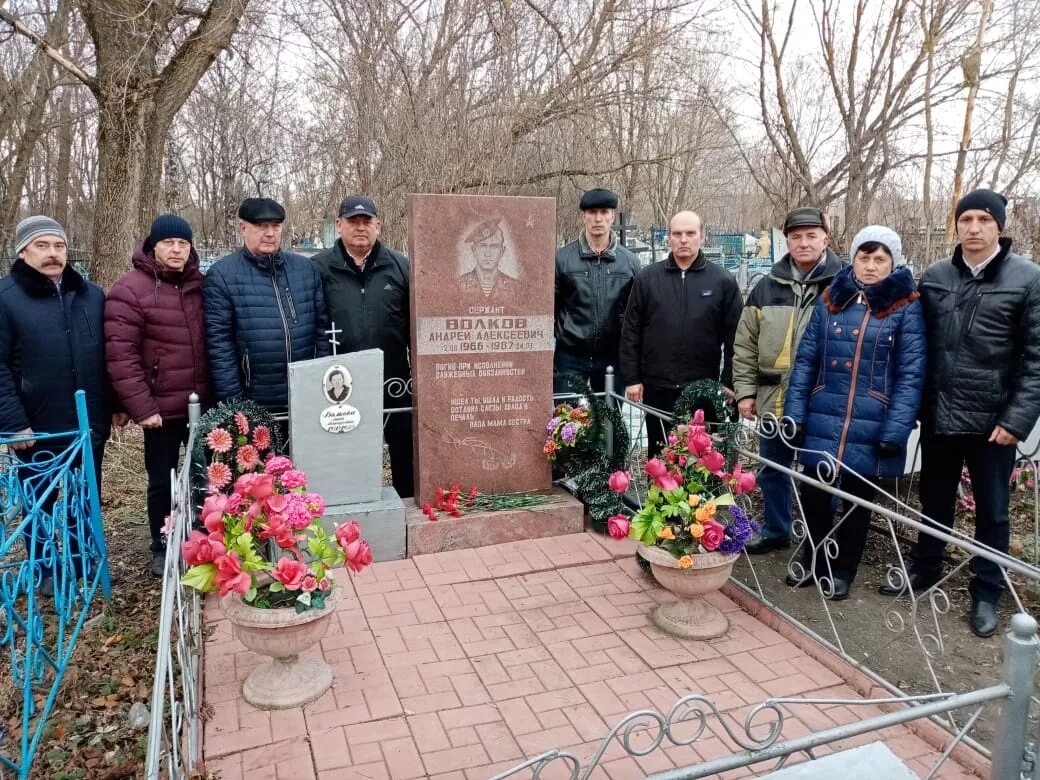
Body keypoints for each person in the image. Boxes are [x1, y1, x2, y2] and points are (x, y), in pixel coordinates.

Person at [878, 189, 1040, 638]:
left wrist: (1016, 419)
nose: (973, 227)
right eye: (966, 219)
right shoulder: (935, 276)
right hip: (939, 415)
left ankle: (986, 592)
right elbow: (910, 342)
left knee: (993, 512)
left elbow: (1035, 359)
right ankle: (926, 567)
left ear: (998, 227)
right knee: (934, 501)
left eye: (983, 220)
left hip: (993, 424)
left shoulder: (1027, 279)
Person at [783, 226, 926, 600]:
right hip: (823, 414)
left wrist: (895, 431)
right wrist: (795, 413)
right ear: (854, 258)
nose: (871, 266)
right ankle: (815, 559)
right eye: (865, 257)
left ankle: (844, 568)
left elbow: (910, 374)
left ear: (893, 263)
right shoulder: (832, 300)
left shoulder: (905, 307)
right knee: (813, 493)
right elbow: (805, 362)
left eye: (880, 259)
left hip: (872, 422)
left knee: (856, 503)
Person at [0, 216, 124, 593]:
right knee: (40, 500)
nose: (53, 254)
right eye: (42, 246)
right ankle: (43, 570)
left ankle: (83, 560)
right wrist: (13, 423)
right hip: (36, 425)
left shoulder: (90, 295)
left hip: (88, 420)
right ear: (23, 251)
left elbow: (108, 354)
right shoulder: (6, 299)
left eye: (59, 246)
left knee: (85, 494)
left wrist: (116, 402)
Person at [734, 207, 844, 554]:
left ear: (825, 238)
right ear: (787, 241)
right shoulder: (767, 287)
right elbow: (745, 344)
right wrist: (746, 393)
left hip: (821, 400)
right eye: (796, 237)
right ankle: (777, 529)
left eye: (812, 236)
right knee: (773, 469)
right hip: (773, 396)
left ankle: (820, 541)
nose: (804, 243)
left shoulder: (843, 284)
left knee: (821, 474)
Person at [105, 214, 210, 576]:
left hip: (202, 405)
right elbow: (121, 354)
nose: (177, 249)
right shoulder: (131, 289)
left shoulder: (200, 284)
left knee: (204, 476)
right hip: (160, 410)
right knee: (162, 481)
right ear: (153, 247)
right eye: (169, 243)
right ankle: (162, 543)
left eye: (183, 243)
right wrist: (140, 406)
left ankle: (204, 538)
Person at [619, 210, 743, 458]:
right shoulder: (647, 279)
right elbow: (631, 331)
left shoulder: (722, 281)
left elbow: (735, 338)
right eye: (677, 234)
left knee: (697, 458)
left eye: (690, 233)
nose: (683, 239)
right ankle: (660, 497)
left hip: (702, 387)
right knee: (660, 453)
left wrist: (729, 380)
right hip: (657, 386)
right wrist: (632, 378)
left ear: (701, 236)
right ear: (669, 238)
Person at [312, 196, 414, 497]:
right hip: (340, 383)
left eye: (366, 221)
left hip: (394, 380)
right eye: (353, 221)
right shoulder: (318, 269)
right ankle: (353, 515)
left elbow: (413, 325)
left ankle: (405, 510)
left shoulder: (400, 267)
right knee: (348, 455)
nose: (360, 228)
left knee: (403, 450)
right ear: (338, 225)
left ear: (378, 225)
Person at [204, 197, 329, 421]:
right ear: (243, 228)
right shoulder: (222, 275)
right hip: (254, 403)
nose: (270, 233)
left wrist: (320, 384)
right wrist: (236, 407)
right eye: (262, 226)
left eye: (276, 226)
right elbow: (219, 345)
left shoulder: (305, 270)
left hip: (305, 397)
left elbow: (321, 332)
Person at [554, 188, 640, 393]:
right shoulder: (563, 259)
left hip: (613, 358)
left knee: (609, 422)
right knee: (566, 419)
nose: (598, 218)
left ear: (612, 216)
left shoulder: (629, 262)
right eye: (592, 212)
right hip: (570, 356)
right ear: (583, 217)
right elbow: (553, 306)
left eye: (604, 212)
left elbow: (635, 315)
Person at [457, 218, 521, 303]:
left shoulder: (516, 287)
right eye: (482, 246)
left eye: (494, 246)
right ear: (474, 250)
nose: (487, 254)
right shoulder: (459, 285)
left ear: (502, 251)